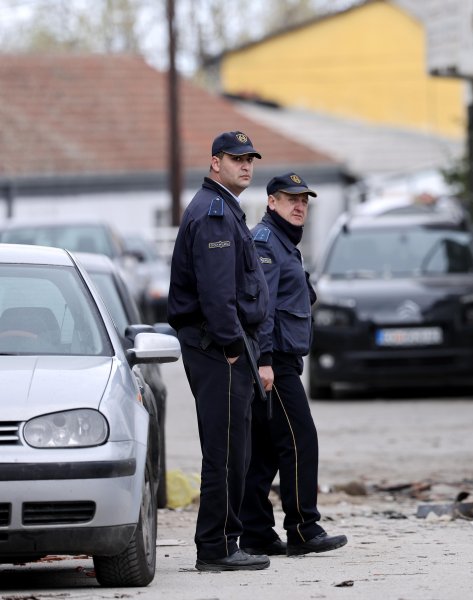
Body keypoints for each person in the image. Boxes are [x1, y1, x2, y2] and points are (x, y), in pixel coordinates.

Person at [167, 131, 271, 572]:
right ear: (215, 163)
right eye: (236, 159)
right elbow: (215, 291)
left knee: (235, 448)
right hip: (217, 346)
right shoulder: (213, 214)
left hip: (223, 344)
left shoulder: (225, 208)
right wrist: (231, 345)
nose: (245, 166)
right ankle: (216, 546)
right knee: (225, 450)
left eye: (250, 159)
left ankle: (225, 540)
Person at [239, 172, 348, 557]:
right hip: (275, 363)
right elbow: (260, 309)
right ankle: (303, 528)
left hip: (281, 360)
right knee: (301, 439)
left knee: (268, 450)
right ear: (271, 203)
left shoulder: (285, 243)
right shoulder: (266, 243)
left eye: (304, 200)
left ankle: (255, 533)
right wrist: (265, 361)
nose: (299, 206)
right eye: (290, 200)